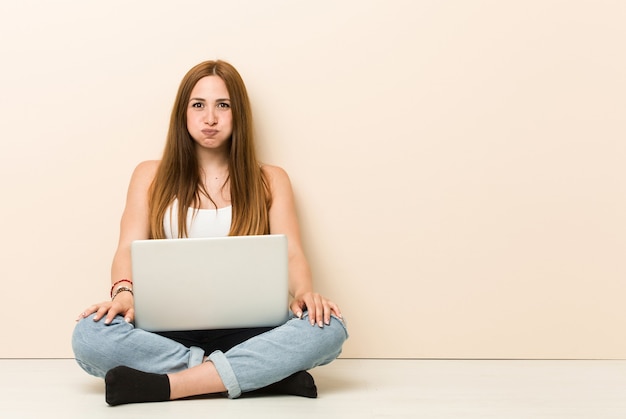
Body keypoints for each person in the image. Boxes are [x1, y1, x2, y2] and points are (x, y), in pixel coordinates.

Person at [72, 60, 348, 406]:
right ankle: (256, 376)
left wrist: (306, 292)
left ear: (239, 114)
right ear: (183, 112)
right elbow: (127, 246)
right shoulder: (149, 175)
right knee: (89, 336)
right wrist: (123, 293)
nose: (210, 118)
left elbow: (291, 250)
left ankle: (170, 385)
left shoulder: (271, 179)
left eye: (223, 105)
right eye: (198, 105)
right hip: (166, 329)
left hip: (250, 329)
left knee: (330, 327)